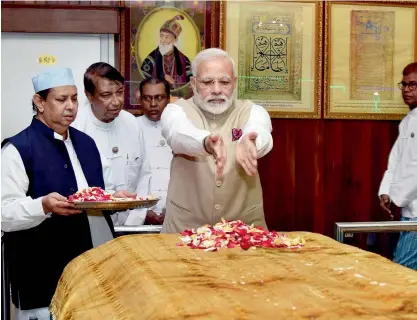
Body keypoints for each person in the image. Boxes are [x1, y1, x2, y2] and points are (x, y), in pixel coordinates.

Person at [1, 67, 130, 320]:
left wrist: (116, 198)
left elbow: (99, 193)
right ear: (39, 102)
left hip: (91, 268)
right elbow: (4, 213)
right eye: (61, 100)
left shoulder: (86, 143)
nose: (70, 106)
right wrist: (43, 206)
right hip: (41, 274)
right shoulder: (17, 149)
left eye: (73, 98)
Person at [160, 48, 273, 233]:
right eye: (207, 82)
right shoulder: (176, 110)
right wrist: (204, 142)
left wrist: (252, 142)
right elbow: (178, 133)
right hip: (184, 231)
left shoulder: (252, 110)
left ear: (234, 83)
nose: (217, 90)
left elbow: (260, 129)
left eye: (224, 82)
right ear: (194, 83)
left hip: (244, 231)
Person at [73, 62, 152, 226]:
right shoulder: (75, 128)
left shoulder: (131, 123)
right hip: (91, 221)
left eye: (120, 92)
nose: (116, 102)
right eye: (106, 95)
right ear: (89, 96)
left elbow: (144, 174)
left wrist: (135, 220)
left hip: (131, 222)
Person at [378, 61, 417, 270]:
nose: (407, 90)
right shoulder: (408, 120)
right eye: (404, 85)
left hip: (414, 212)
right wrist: (386, 192)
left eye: (413, 85)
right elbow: (395, 162)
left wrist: (396, 196)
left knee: (400, 271)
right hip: (408, 210)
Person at [137, 77, 172, 225]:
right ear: (140, 100)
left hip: (174, 213)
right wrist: (142, 212)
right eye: (147, 98)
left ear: (169, 99)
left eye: (159, 98)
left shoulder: (179, 129)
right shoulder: (131, 127)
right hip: (139, 214)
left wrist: (172, 211)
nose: (153, 104)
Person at [140, 15, 191, 90]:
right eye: (161, 36)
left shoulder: (184, 60)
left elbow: (189, 86)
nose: (163, 40)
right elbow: (143, 82)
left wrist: (173, 83)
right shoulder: (151, 59)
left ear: (175, 40)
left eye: (167, 37)